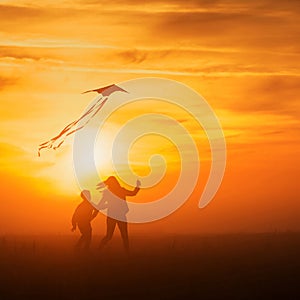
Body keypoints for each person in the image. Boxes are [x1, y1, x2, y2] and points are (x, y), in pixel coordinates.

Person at [97, 176, 141, 253]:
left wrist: (137, 186)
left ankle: (99, 250)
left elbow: (100, 205)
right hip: (119, 216)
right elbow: (133, 193)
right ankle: (127, 254)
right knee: (121, 235)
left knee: (111, 235)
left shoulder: (108, 192)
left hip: (114, 216)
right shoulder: (120, 191)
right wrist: (137, 186)